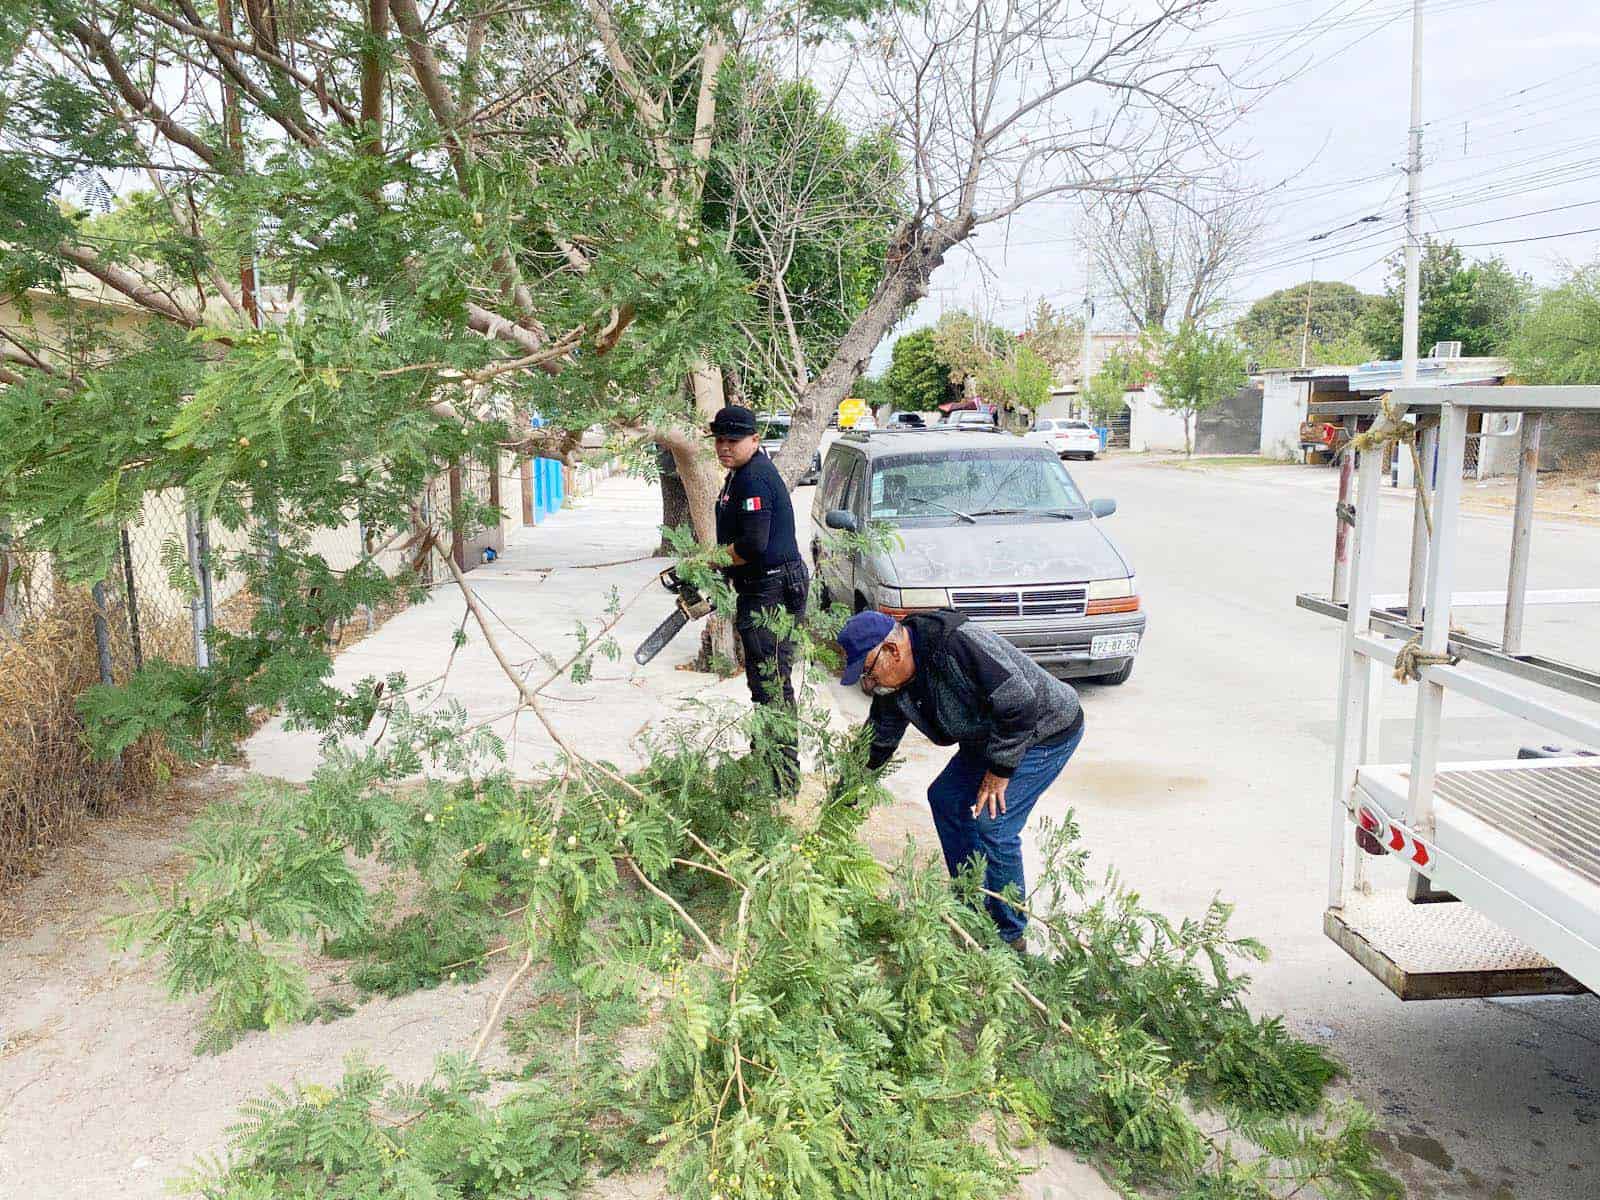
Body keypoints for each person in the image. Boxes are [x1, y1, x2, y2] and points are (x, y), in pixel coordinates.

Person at [836, 608, 1084, 949]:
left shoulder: (955, 644)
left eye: (868, 673)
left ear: (892, 651)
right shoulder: (894, 686)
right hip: (991, 735)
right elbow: (877, 743)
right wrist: (841, 801)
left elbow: (1020, 705)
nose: (869, 685)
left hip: (1043, 729)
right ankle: (971, 897)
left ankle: (1009, 936)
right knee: (946, 798)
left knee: (993, 824)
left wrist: (999, 773)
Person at [710, 405, 809, 792]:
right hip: (761, 586)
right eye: (719, 440)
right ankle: (766, 759)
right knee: (765, 682)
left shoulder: (753, 479)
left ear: (754, 439)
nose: (724, 447)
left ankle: (781, 778)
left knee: (771, 683)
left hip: (772, 589)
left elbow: (752, 544)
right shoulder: (739, 474)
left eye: (732, 440)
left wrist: (710, 561)